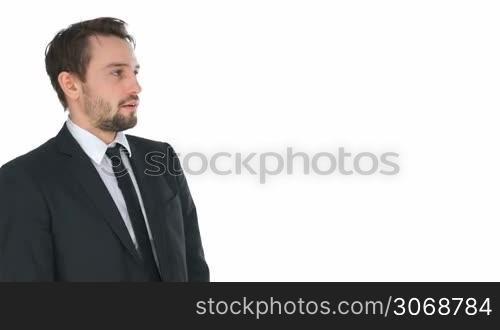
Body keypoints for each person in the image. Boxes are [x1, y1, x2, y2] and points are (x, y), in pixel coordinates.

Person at [0, 17, 209, 281]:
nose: (135, 87)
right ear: (71, 84)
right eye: (116, 72)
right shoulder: (23, 180)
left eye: (135, 72)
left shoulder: (161, 157)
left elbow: (195, 266)